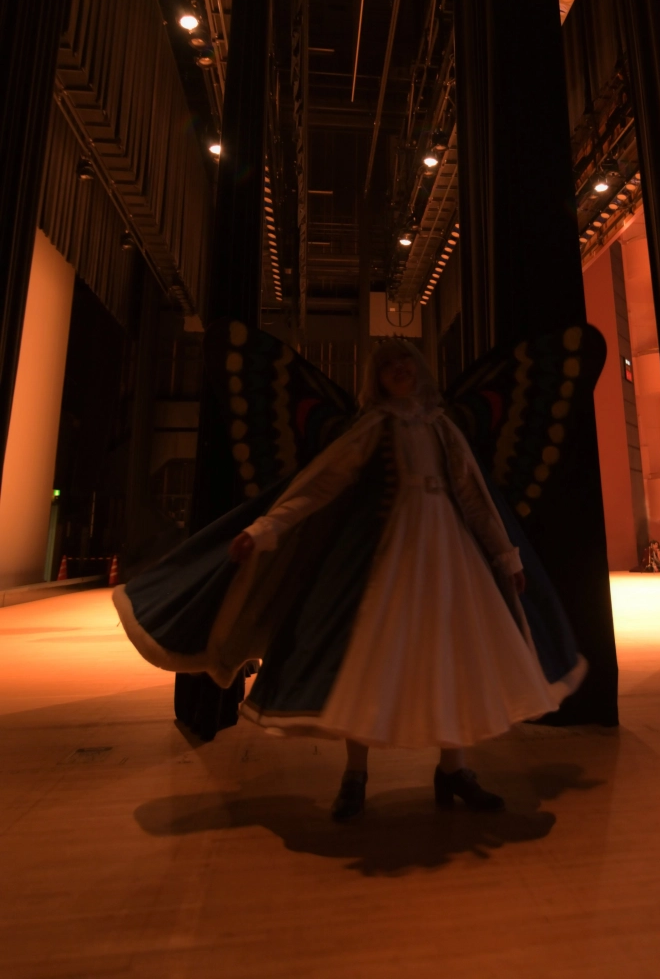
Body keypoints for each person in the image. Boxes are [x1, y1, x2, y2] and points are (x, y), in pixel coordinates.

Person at [114, 337, 586, 822]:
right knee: (368, 661)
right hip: (386, 559)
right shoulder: (371, 428)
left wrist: (506, 557)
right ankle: (355, 775)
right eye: (388, 364)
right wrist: (264, 528)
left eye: (405, 361)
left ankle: (454, 769)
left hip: (449, 557)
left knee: (452, 656)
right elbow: (320, 485)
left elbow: (473, 496)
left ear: (419, 370)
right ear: (376, 378)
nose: (399, 369)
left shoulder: (443, 428)